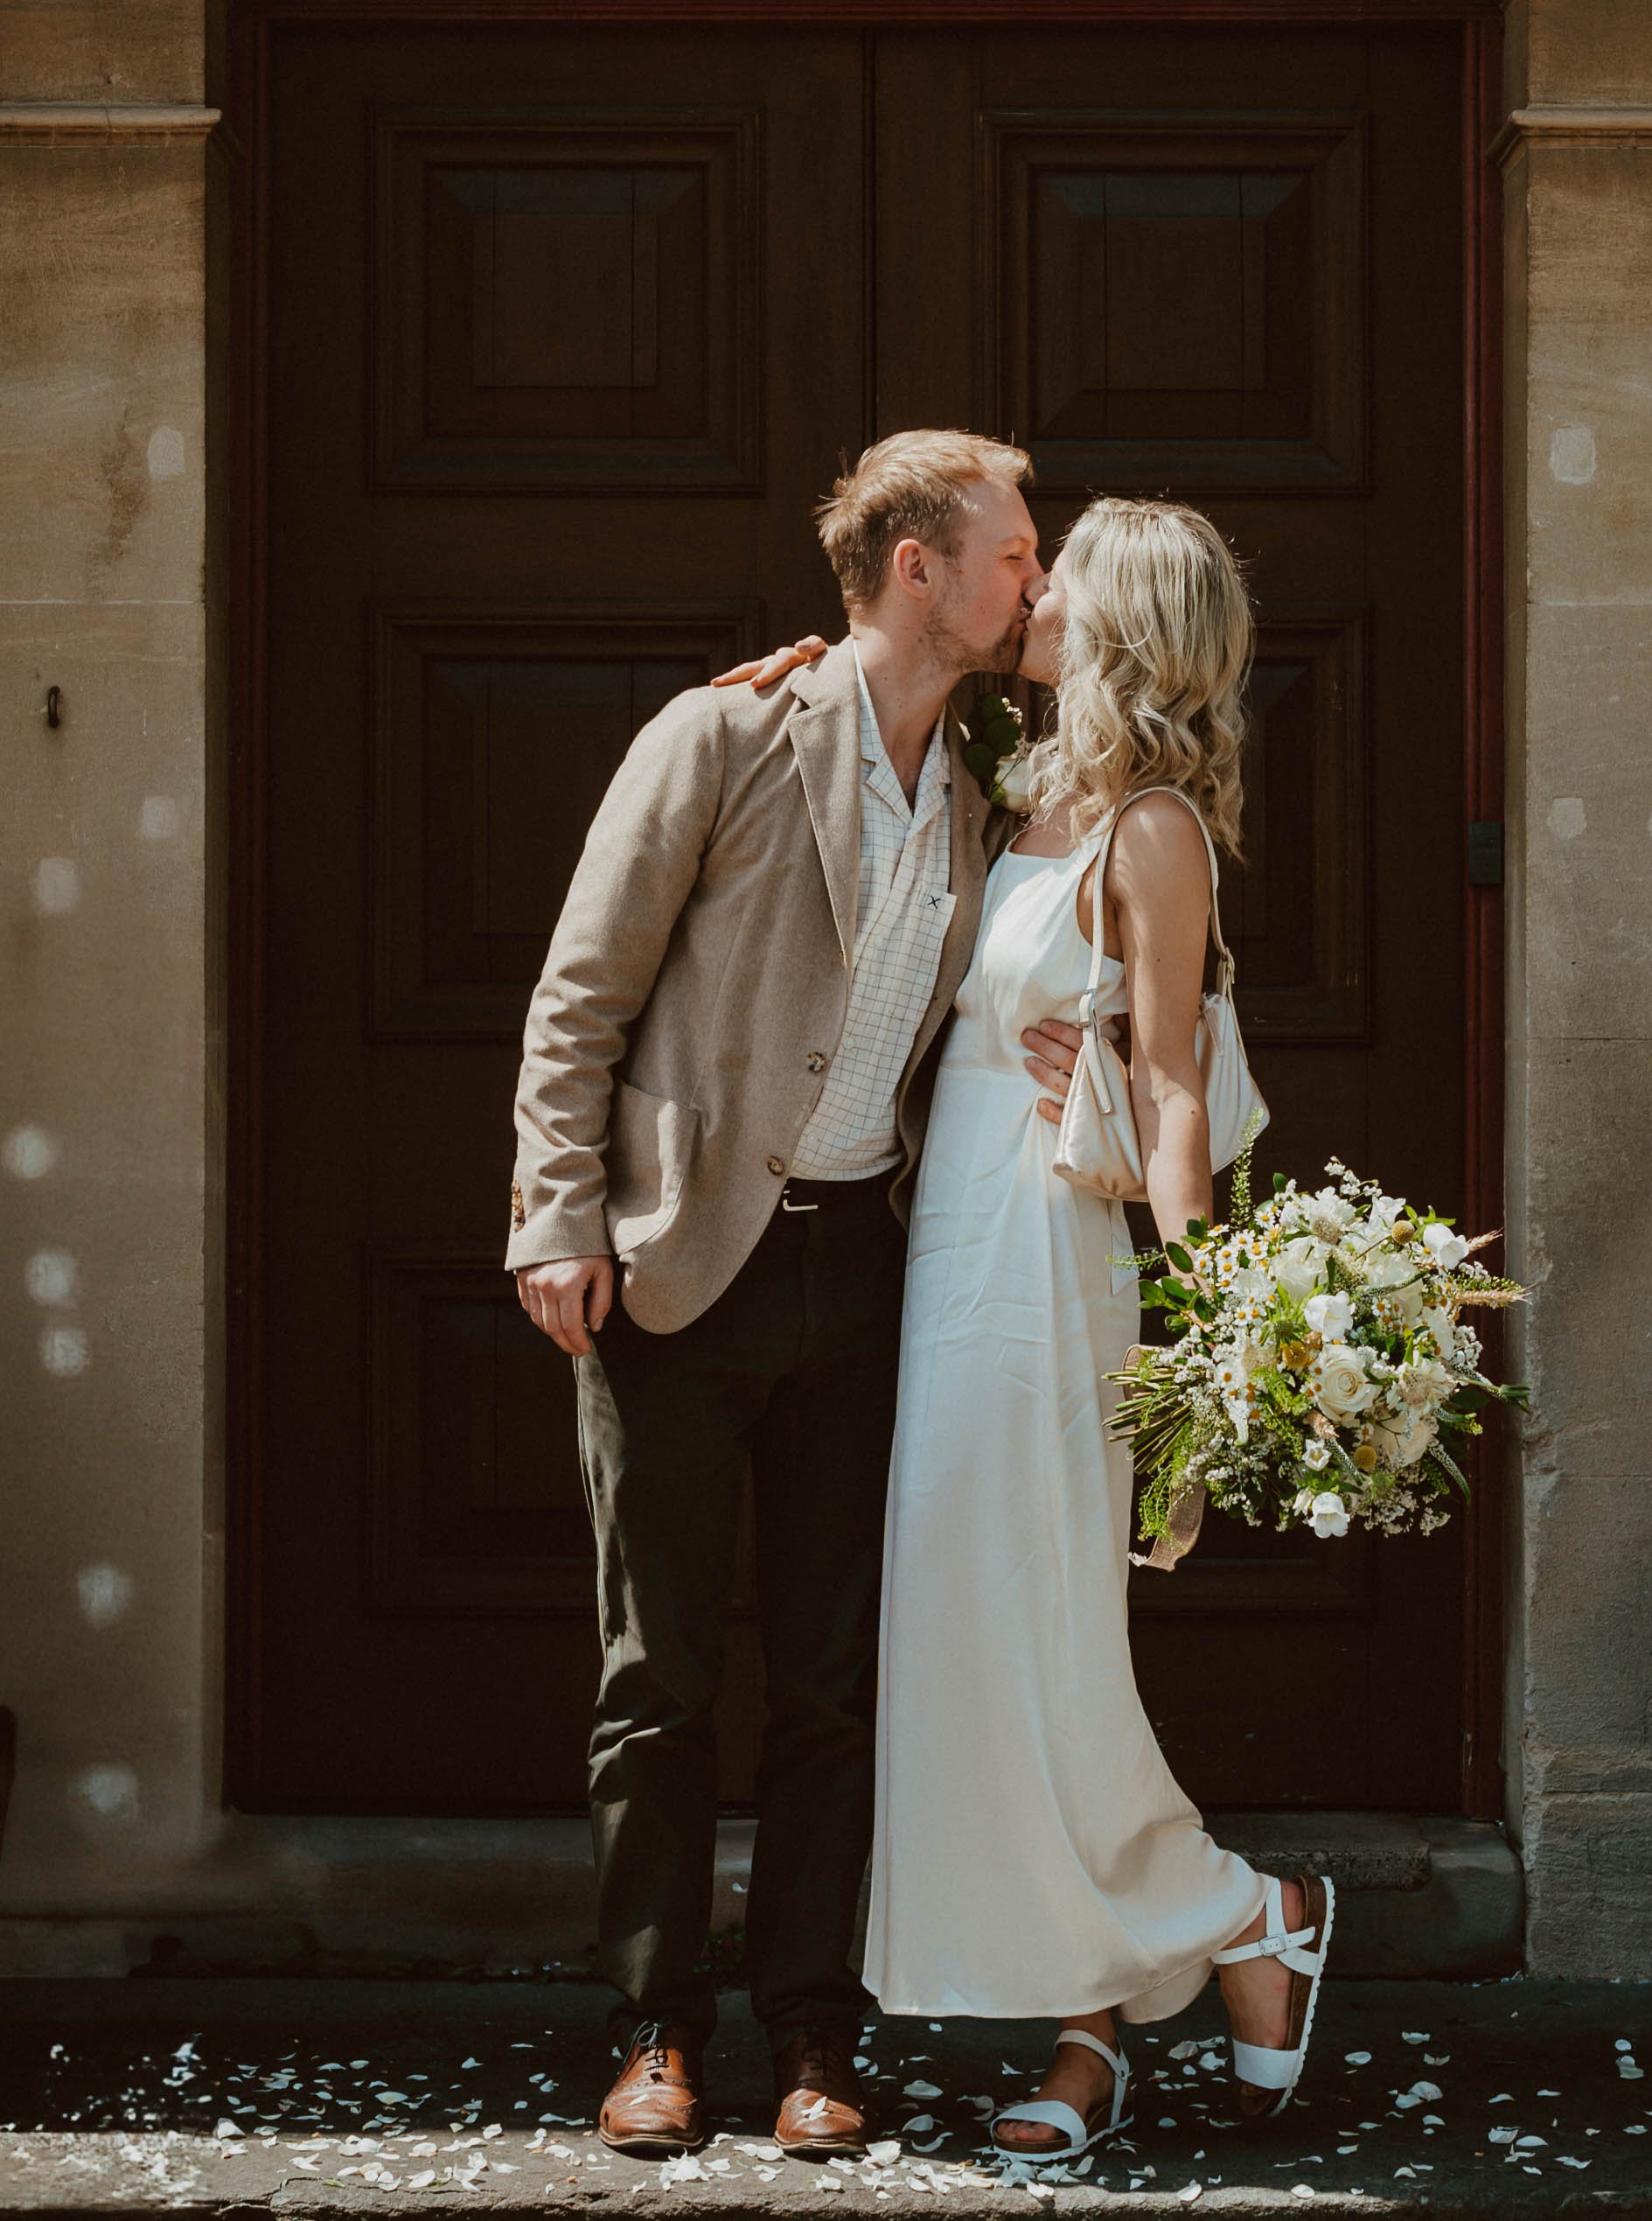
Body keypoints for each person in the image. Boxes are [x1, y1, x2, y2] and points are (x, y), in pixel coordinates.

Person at [505, 430, 1096, 2160]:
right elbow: (577, 994)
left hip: (873, 1270)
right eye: (1010, 554)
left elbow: (1121, 711)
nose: (1033, 581)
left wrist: (1044, 647)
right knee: (660, 1676)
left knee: (837, 1681)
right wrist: (557, 1215)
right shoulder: (721, 733)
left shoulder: (990, 758)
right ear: (914, 566)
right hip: (684, 1263)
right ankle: (653, 2031)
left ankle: (814, 2040)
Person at [725, 499, 1334, 2149]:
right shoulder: (1027, 784)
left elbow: (1184, 1089)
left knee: (1045, 1643)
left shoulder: (1150, 828)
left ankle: (1231, 1921)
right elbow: (879, 708)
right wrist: (800, 673)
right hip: (952, 1259)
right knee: (976, 1644)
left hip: (1059, 1266)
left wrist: (1208, 1328)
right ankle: (1138, 1993)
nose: (1034, 586)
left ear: (1122, 621)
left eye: (1063, 574)